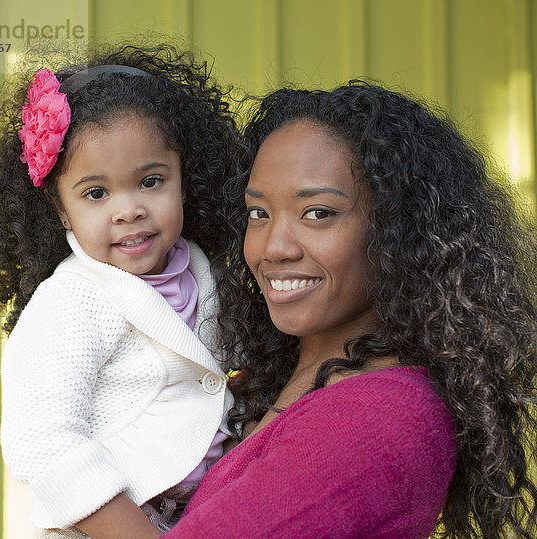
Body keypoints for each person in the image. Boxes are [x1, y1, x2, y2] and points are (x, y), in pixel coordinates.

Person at [161, 83, 537, 537]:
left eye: (318, 213)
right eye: (258, 213)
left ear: (401, 232)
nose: (272, 248)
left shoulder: (380, 417)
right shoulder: (264, 386)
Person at [0, 44, 239, 537]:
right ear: (61, 209)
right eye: (96, 193)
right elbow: (40, 440)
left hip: (196, 516)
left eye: (151, 181)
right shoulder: (73, 302)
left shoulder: (204, 271)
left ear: (184, 180)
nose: (128, 209)